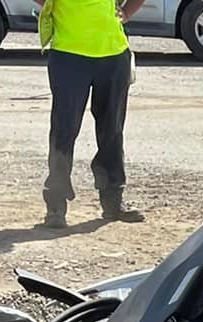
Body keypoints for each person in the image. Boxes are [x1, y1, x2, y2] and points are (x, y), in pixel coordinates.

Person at [38, 0, 144, 228]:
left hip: (114, 54)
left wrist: (126, 12)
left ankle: (113, 201)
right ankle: (55, 206)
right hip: (68, 53)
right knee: (64, 130)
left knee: (112, 131)